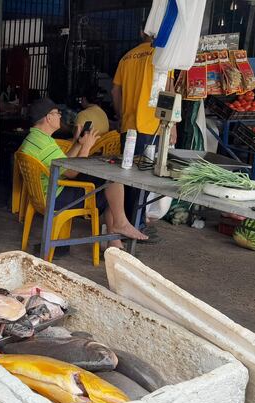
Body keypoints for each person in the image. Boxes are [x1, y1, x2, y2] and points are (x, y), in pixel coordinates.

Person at [19, 98, 147, 249]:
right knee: (112, 182)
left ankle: (115, 241)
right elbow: (71, 173)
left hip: (45, 193)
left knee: (110, 191)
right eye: (57, 113)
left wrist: (77, 144)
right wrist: (86, 147)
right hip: (56, 196)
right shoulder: (45, 144)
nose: (60, 116)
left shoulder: (36, 139)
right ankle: (120, 226)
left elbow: (63, 163)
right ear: (48, 117)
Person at [111, 33, 174, 238]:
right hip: (151, 128)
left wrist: (122, 115)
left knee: (126, 175)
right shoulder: (162, 56)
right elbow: (168, 92)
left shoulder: (127, 57)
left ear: (141, 32)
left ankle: (126, 222)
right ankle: (135, 225)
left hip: (128, 126)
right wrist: (172, 125)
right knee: (142, 179)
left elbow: (115, 92)